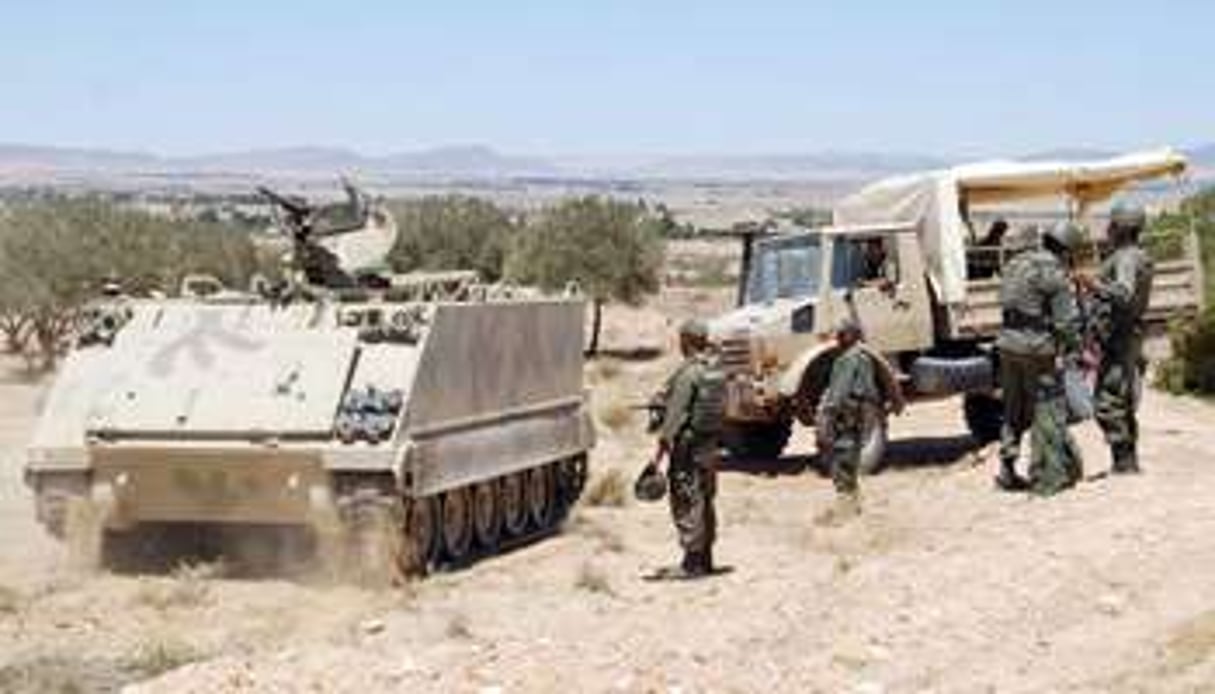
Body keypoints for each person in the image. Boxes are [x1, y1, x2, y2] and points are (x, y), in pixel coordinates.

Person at [995, 224, 1084, 495]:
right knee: (1047, 409)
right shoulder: (1054, 273)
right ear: (1067, 249)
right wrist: (1075, 349)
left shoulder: (1015, 263)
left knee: (1014, 410)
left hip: (1008, 345)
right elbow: (1065, 323)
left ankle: (1007, 470)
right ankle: (1045, 476)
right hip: (1037, 349)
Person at [1077, 203, 1154, 474]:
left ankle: (1124, 462)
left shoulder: (1126, 258)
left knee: (1108, 401)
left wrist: (1091, 283)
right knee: (1121, 399)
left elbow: (1123, 293)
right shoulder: (1135, 255)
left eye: (1112, 225)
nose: (1107, 229)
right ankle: (1127, 461)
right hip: (1125, 335)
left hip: (1119, 338)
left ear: (1120, 228)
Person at [649, 318, 725, 578]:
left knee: (686, 498)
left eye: (682, 339)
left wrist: (662, 444)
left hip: (688, 448)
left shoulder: (688, 373)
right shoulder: (715, 370)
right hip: (710, 446)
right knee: (705, 499)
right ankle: (706, 559)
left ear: (688, 341)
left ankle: (692, 563)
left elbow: (674, 414)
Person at [815, 317, 888, 522]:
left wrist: (828, 413)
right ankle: (852, 505)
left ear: (849, 335)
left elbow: (840, 391)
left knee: (843, 459)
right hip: (856, 413)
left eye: (840, 334)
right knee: (849, 456)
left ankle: (846, 508)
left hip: (847, 413)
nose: (837, 338)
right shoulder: (861, 357)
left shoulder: (849, 359)